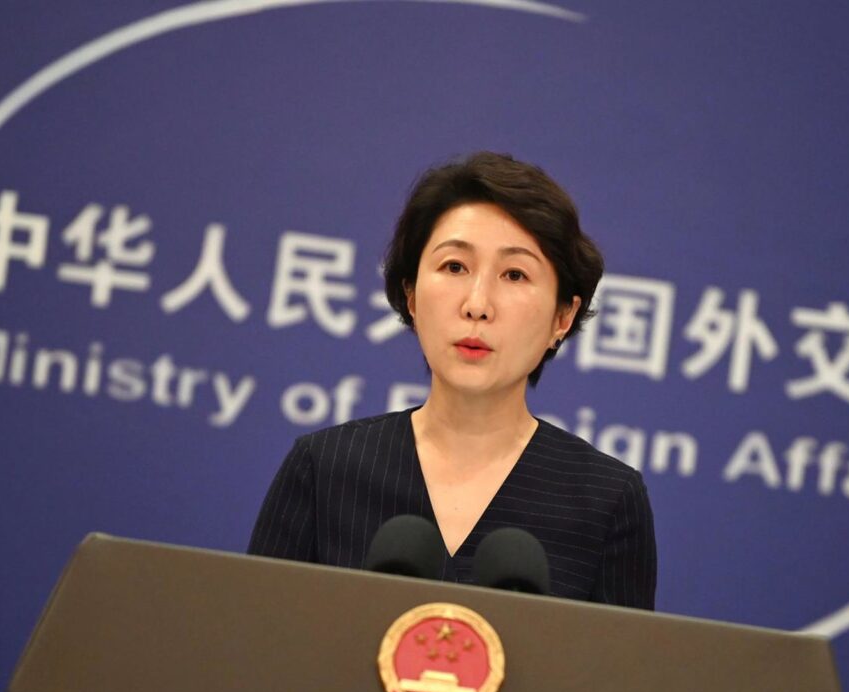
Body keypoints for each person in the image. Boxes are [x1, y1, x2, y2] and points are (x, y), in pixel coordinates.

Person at [248, 152, 656, 609]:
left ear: (563, 316)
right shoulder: (324, 469)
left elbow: (623, 677)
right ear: (411, 295)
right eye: (455, 267)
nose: (477, 304)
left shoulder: (605, 501)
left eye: (515, 274)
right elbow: (256, 654)